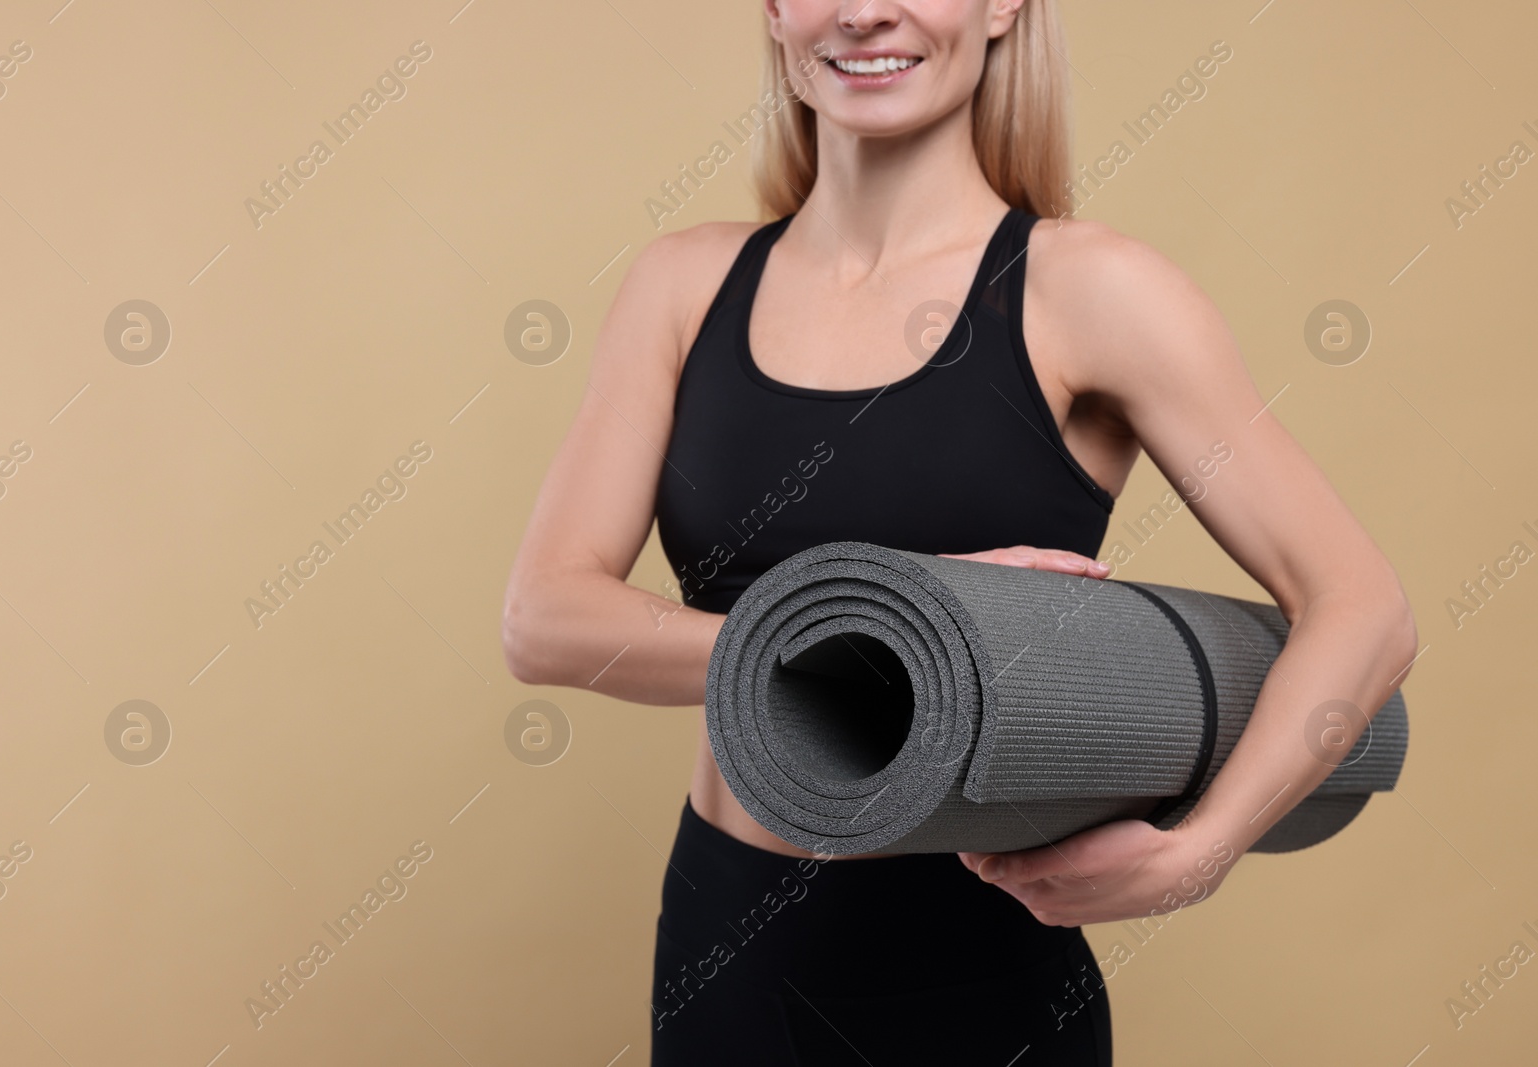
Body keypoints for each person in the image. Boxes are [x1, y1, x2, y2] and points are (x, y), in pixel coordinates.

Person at [502, 1, 1418, 1062]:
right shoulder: (683, 284)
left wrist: (1200, 850)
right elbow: (545, 618)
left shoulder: (1091, 291)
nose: (862, 10)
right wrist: (888, 630)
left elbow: (1363, 608)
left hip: (981, 957)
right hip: (729, 937)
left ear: (1000, 7)